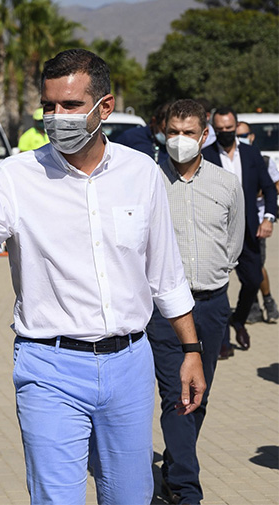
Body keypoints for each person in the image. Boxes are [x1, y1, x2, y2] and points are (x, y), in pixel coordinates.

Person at [0, 49, 205, 504]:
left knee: (131, 495)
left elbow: (166, 274)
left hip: (129, 365)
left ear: (103, 107)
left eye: (70, 106)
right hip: (49, 367)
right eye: (49, 106)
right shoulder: (13, 178)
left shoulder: (141, 173)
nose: (56, 117)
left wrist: (190, 350)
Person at [148, 99, 244, 505]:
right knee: (176, 394)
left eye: (189, 133)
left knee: (197, 395)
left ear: (204, 136)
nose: (180, 140)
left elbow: (234, 243)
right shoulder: (149, 181)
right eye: (173, 132)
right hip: (164, 311)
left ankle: (173, 469)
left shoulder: (226, 185)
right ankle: (187, 490)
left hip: (211, 305)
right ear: (162, 132)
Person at [202, 107, 276, 354]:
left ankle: (239, 320)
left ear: (236, 127)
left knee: (254, 279)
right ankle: (223, 341)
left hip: (249, 231)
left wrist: (269, 218)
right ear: (213, 129)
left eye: (229, 129)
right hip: (217, 233)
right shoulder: (206, 155)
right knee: (219, 286)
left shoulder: (252, 153)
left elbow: (269, 188)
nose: (225, 133)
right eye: (220, 129)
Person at [237, 121, 279, 324]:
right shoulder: (229, 158)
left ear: (251, 136)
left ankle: (268, 301)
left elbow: (274, 184)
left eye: (243, 134)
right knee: (244, 268)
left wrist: (267, 217)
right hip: (234, 223)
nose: (239, 138)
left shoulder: (262, 158)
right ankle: (251, 305)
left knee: (257, 266)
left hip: (257, 221)